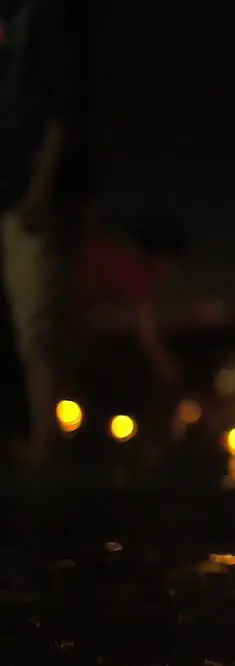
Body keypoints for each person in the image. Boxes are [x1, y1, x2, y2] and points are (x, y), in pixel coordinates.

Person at [1, 0, 92, 469]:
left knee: (39, 326)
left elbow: (65, 102)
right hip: (12, 187)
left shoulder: (52, 14)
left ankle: (43, 450)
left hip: (33, 193)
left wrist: (42, 184)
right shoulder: (18, 17)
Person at [76, 216, 187, 387]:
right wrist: (173, 375)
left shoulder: (111, 252)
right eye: (172, 263)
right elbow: (148, 335)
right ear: (162, 257)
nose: (171, 273)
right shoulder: (137, 273)